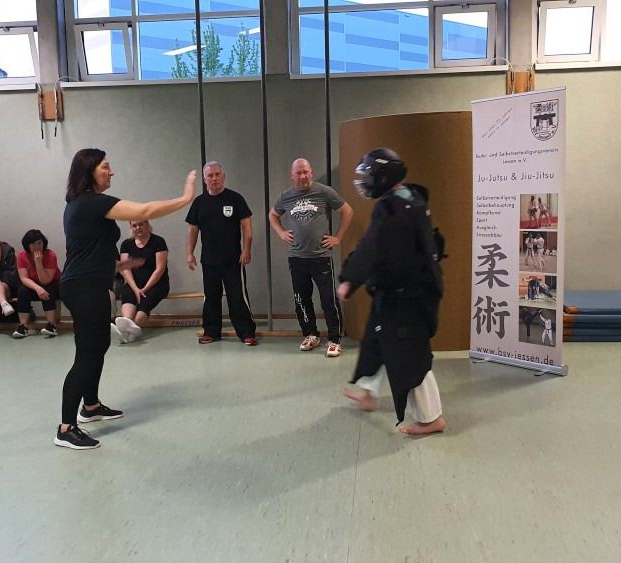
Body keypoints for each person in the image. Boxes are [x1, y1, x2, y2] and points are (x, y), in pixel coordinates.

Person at [55, 148, 195, 450]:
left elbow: (88, 250)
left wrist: (119, 265)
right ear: (90, 172)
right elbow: (144, 211)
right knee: (87, 355)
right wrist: (185, 199)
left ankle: (90, 405)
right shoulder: (92, 202)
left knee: (99, 346)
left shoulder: (80, 205)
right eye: (106, 167)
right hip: (83, 287)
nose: (111, 172)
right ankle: (65, 428)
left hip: (89, 284)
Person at [338, 148, 446, 436]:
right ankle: (368, 392)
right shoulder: (409, 198)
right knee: (376, 339)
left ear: (384, 177)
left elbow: (372, 245)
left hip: (408, 297)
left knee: (411, 356)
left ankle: (431, 419)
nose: (365, 182)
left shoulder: (394, 209)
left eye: (370, 176)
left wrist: (349, 280)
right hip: (400, 291)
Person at [269, 158, 353, 357]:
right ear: (292, 175)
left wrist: (338, 237)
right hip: (297, 258)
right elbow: (273, 215)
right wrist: (281, 232)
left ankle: (334, 339)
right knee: (302, 299)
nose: (303, 176)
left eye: (305, 172)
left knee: (328, 299)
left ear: (311, 173)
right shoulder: (286, 196)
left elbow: (347, 211)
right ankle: (310, 334)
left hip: (320, 257)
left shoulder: (324, 192)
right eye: (298, 172)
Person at [185, 161, 258, 346]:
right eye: (210, 175)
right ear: (205, 179)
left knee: (236, 297)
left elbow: (247, 228)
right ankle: (211, 331)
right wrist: (189, 253)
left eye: (217, 174)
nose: (214, 178)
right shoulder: (199, 202)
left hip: (233, 259)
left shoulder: (235, 198)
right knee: (211, 297)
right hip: (209, 260)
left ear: (223, 176)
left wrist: (246, 250)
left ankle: (246, 333)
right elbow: (193, 230)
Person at [111, 219, 170, 344]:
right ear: (131, 228)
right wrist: (135, 288)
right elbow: (125, 269)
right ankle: (126, 325)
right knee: (127, 294)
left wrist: (145, 289)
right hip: (133, 284)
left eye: (141, 224)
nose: (138, 228)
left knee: (143, 305)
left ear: (147, 224)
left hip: (157, 285)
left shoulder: (158, 241)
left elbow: (159, 269)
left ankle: (131, 331)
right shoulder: (126, 244)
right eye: (134, 225)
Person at [14, 229, 61, 338]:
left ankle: (52, 325)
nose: (37, 247)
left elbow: (46, 280)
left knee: (47, 287)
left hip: (54, 285)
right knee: (22, 290)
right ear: (27, 245)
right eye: (33, 244)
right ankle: (23, 327)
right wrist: (37, 288)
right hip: (35, 287)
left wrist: (38, 263)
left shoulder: (50, 255)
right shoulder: (22, 256)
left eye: (39, 243)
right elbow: (24, 278)